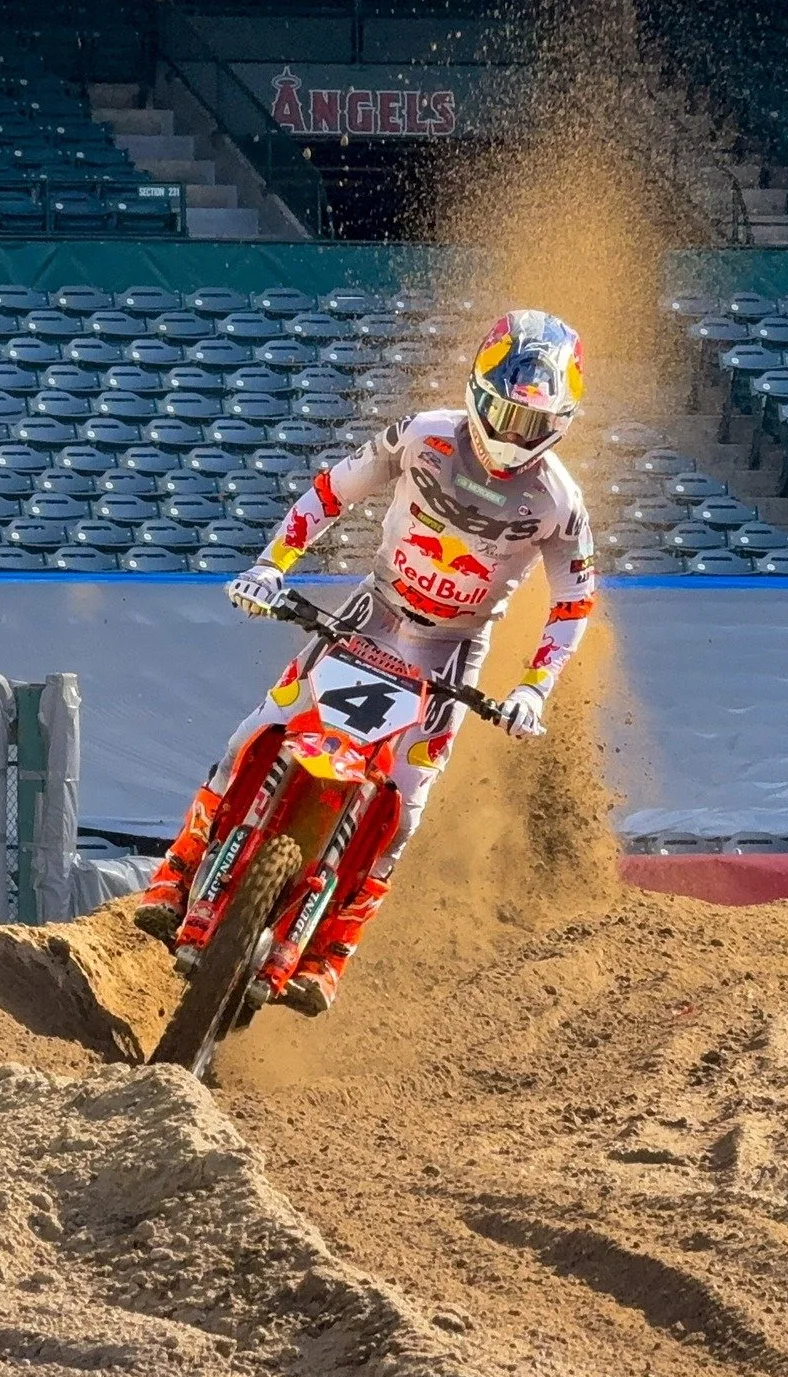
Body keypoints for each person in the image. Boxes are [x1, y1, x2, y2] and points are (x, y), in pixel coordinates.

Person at [136, 309, 597, 1015]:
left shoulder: (559, 501)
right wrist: (270, 567)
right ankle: (175, 876)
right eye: (504, 412)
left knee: (405, 805)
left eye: (533, 424)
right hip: (370, 611)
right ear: (477, 391)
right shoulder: (423, 435)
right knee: (255, 733)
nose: (512, 435)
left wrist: (534, 689)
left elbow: (572, 601)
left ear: (561, 421)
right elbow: (333, 491)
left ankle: (329, 952)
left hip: (455, 648)